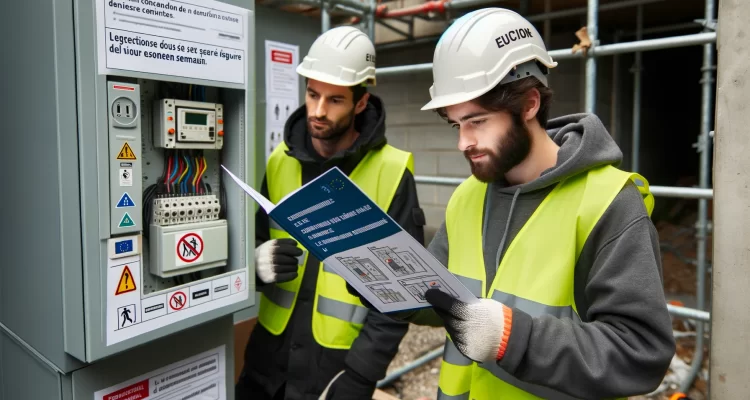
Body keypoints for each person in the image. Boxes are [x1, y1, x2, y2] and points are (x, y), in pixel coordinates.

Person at [347, 8, 676, 399]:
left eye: (478, 121)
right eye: (457, 124)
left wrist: (512, 337)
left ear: (530, 104)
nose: (463, 142)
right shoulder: (469, 196)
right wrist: (378, 281)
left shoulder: (608, 203)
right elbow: (440, 298)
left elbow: (640, 352)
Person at [236, 26, 425, 400]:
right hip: (265, 363)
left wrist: (360, 376)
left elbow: (403, 294)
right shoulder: (279, 161)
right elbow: (254, 239)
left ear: (360, 102)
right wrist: (253, 266)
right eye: (312, 94)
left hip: (335, 371)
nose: (318, 111)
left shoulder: (392, 173)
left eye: (335, 100)